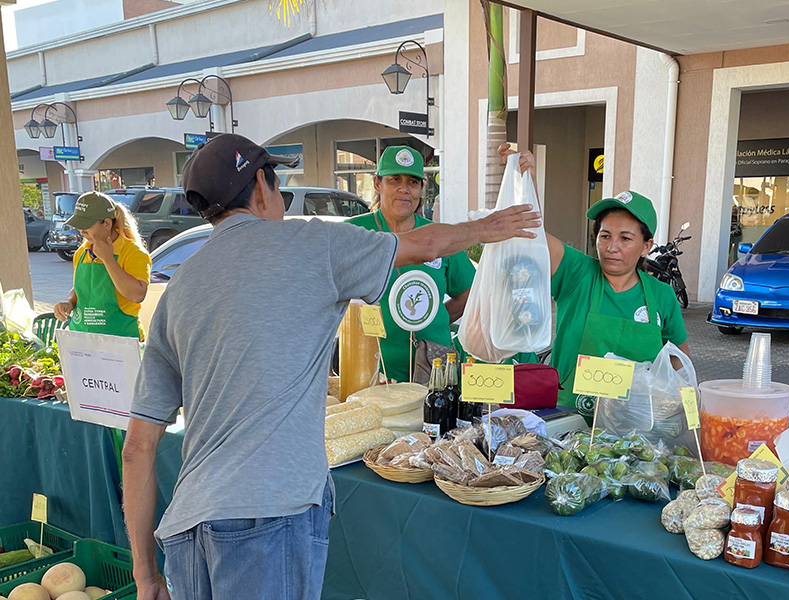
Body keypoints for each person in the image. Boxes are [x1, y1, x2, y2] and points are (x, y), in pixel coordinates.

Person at [121, 134, 539, 600]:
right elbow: (422, 244)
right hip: (269, 516)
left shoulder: (178, 289)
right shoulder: (312, 243)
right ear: (261, 186)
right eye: (278, 186)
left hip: (187, 525)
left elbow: (137, 447)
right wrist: (489, 227)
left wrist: (145, 574)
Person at [501, 145, 689, 419]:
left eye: (625, 238)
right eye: (605, 235)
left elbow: (679, 359)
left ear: (647, 245)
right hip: (569, 414)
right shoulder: (578, 273)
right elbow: (535, 237)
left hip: (635, 422)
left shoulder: (661, 295)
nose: (612, 247)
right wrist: (526, 178)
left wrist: (661, 393)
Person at [347, 146, 475, 383]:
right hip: (372, 370)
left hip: (434, 367)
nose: (403, 189)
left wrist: (433, 319)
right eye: (394, 180)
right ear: (377, 184)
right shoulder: (353, 232)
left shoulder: (436, 237)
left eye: (413, 182)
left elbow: (469, 292)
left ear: (422, 187)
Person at [53, 191, 151, 340]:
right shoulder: (82, 252)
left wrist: (108, 259)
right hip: (84, 339)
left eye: (86, 225)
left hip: (121, 342)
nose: (82, 231)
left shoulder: (133, 252)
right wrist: (69, 301)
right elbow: (82, 287)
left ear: (107, 223)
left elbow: (137, 294)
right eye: (78, 225)